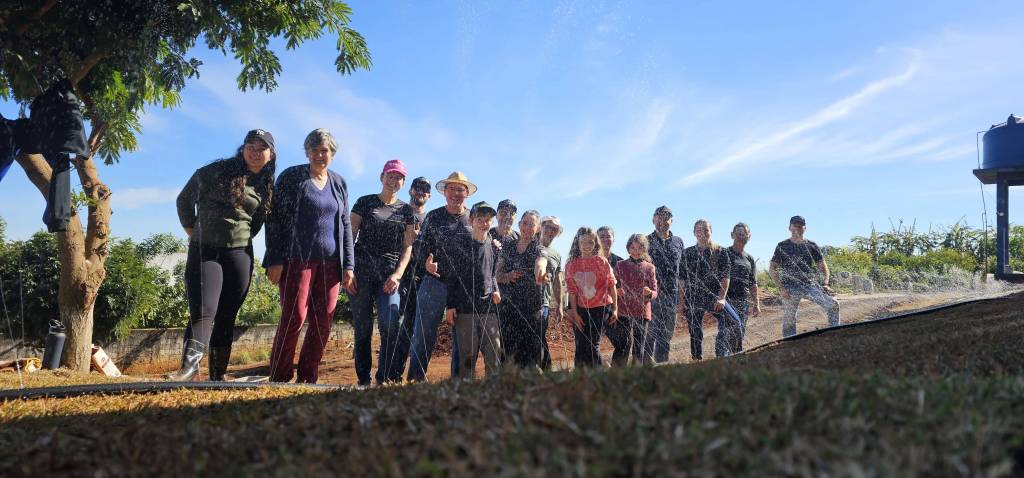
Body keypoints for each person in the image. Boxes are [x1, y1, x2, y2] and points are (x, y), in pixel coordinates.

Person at [170, 129, 276, 381]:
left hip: (239, 255)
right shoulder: (216, 171)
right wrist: (194, 231)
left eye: (262, 148)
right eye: (250, 146)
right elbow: (184, 200)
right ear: (243, 148)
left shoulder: (265, 184)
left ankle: (218, 375)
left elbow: (257, 222)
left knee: (227, 315)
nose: (255, 152)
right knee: (204, 310)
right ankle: (189, 369)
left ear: (271, 155)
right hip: (205, 250)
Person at [264, 128, 355, 384]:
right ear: (307, 152)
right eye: (313, 150)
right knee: (294, 317)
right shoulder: (292, 177)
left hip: (331, 264)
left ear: (332, 154)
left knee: (323, 321)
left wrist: (349, 264)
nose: (319, 155)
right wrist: (275, 259)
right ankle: (279, 377)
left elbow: (345, 224)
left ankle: (307, 378)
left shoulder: (339, 183)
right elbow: (274, 219)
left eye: (324, 150)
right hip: (297, 261)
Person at [348, 159, 416, 386]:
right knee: (363, 329)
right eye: (390, 175)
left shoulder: (406, 211)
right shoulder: (364, 202)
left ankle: (383, 378)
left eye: (399, 177)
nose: (394, 180)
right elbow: (350, 236)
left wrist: (397, 275)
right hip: (361, 274)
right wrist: (348, 269)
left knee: (391, 325)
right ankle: (363, 380)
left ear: (403, 183)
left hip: (389, 277)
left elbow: (407, 247)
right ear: (382, 177)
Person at [407, 171, 476, 382]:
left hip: (464, 287)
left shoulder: (473, 219)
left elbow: (482, 246)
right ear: (445, 192)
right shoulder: (434, 216)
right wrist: (425, 263)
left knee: (462, 338)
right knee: (423, 334)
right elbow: (419, 246)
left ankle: (459, 384)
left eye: (460, 189)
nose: (456, 193)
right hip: (434, 282)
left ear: (467, 193)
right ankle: (415, 382)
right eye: (451, 189)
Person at [443, 201, 503, 379]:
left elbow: (492, 274)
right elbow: (452, 277)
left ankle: (495, 390)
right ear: (471, 221)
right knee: (467, 357)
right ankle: (466, 391)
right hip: (465, 310)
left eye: (488, 220)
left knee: (494, 353)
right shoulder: (460, 245)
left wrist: (496, 289)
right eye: (480, 220)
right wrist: (450, 306)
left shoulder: (494, 247)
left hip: (488, 309)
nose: (484, 224)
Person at [383, 176, 431, 384]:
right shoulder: (399, 212)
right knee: (395, 325)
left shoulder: (430, 219)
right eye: (417, 188)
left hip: (422, 281)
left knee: (416, 329)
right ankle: (389, 376)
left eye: (425, 189)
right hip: (399, 277)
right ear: (410, 190)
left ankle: (411, 378)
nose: (421, 192)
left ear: (429, 195)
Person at [769, 216, 840, 338]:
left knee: (833, 305)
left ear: (805, 228)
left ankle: (835, 335)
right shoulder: (782, 246)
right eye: (795, 225)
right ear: (789, 228)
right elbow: (772, 268)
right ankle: (790, 343)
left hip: (809, 285)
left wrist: (825, 283)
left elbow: (823, 266)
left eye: (800, 225)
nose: (797, 228)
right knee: (789, 319)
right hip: (789, 287)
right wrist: (781, 288)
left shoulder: (812, 245)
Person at [496, 210, 549, 369]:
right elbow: (496, 274)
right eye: (525, 223)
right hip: (508, 308)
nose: (527, 227)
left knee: (530, 355)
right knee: (507, 352)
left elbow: (541, 263)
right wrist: (508, 276)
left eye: (532, 224)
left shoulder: (539, 248)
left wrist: (540, 274)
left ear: (538, 228)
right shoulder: (508, 246)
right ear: (519, 224)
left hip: (531, 310)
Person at [564, 227, 618, 368]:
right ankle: (580, 375)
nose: (586, 245)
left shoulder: (602, 261)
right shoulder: (571, 265)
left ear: (596, 244)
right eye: (583, 242)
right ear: (577, 243)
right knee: (581, 345)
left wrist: (615, 309)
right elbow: (572, 291)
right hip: (582, 309)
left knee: (593, 344)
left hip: (602, 308)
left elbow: (612, 285)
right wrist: (575, 312)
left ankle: (600, 374)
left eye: (590, 242)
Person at [680, 219, 732, 361]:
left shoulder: (721, 251)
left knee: (731, 320)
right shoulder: (687, 253)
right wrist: (681, 302)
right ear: (694, 233)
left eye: (706, 229)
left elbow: (726, 277)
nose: (702, 232)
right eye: (698, 230)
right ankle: (697, 360)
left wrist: (722, 298)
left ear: (711, 231)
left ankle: (721, 355)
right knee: (695, 332)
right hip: (693, 297)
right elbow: (682, 280)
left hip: (714, 296)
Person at [610, 234, 658, 366]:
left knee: (639, 346)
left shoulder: (649, 267)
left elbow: (655, 292)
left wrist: (650, 293)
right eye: (633, 248)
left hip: (642, 312)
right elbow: (612, 284)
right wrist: (617, 289)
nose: (636, 251)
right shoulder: (620, 265)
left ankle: (635, 373)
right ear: (628, 248)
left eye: (639, 248)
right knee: (623, 344)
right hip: (623, 311)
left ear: (645, 249)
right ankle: (617, 373)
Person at [647, 206, 685, 363]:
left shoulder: (678, 242)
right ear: (653, 220)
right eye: (659, 217)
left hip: (671, 296)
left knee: (665, 336)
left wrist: (681, 301)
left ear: (672, 221)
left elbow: (682, 274)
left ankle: (661, 368)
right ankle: (644, 369)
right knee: (648, 335)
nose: (662, 220)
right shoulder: (645, 241)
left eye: (666, 217)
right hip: (650, 297)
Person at [724, 223, 761, 354]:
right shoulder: (724, 253)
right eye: (738, 233)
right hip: (727, 301)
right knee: (729, 332)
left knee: (739, 333)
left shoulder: (749, 259)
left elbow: (753, 283)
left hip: (743, 301)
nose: (741, 236)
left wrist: (756, 304)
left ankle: (736, 358)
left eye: (744, 234)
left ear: (748, 237)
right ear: (732, 235)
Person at [539, 216, 565, 370]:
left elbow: (557, 282)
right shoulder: (530, 244)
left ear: (558, 233)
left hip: (544, 304)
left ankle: (545, 371)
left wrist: (560, 305)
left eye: (554, 229)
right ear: (541, 226)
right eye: (547, 227)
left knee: (539, 337)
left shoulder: (556, 254)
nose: (550, 231)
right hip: (522, 301)